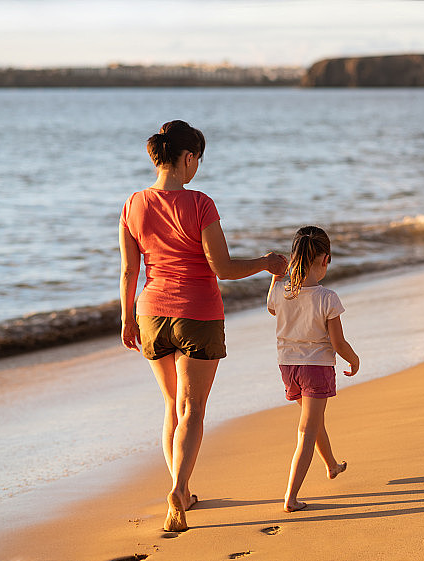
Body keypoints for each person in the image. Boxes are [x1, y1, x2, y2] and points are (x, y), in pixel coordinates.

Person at [119, 120, 287, 532]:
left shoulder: (132, 204)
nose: (197, 169)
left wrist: (126, 318)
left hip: (151, 313)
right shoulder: (200, 203)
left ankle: (184, 489)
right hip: (198, 313)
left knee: (170, 408)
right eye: (198, 160)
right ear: (187, 157)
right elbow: (223, 268)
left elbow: (128, 271)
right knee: (193, 410)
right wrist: (266, 263)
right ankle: (179, 487)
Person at [266, 225, 360, 513]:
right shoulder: (327, 297)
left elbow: (272, 308)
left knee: (313, 421)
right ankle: (291, 497)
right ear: (325, 259)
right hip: (316, 368)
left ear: (294, 257)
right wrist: (354, 359)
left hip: (288, 367)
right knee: (307, 430)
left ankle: (331, 465)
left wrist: (275, 277)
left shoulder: (282, 291)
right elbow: (338, 342)